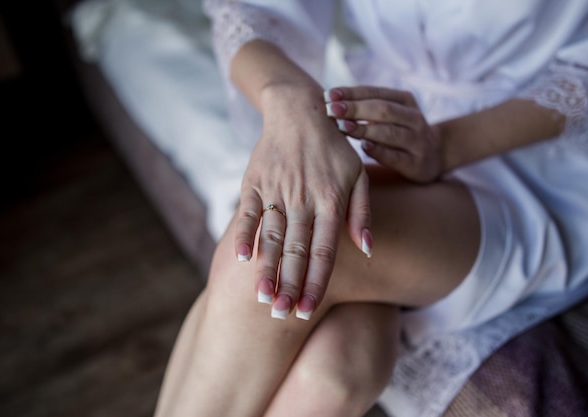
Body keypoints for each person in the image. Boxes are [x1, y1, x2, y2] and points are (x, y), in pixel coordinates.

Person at [153, 1, 588, 416]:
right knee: (333, 375)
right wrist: (287, 95)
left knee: (269, 259)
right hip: (390, 124)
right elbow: (250, 10)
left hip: (540, 157)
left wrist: (446, 144)